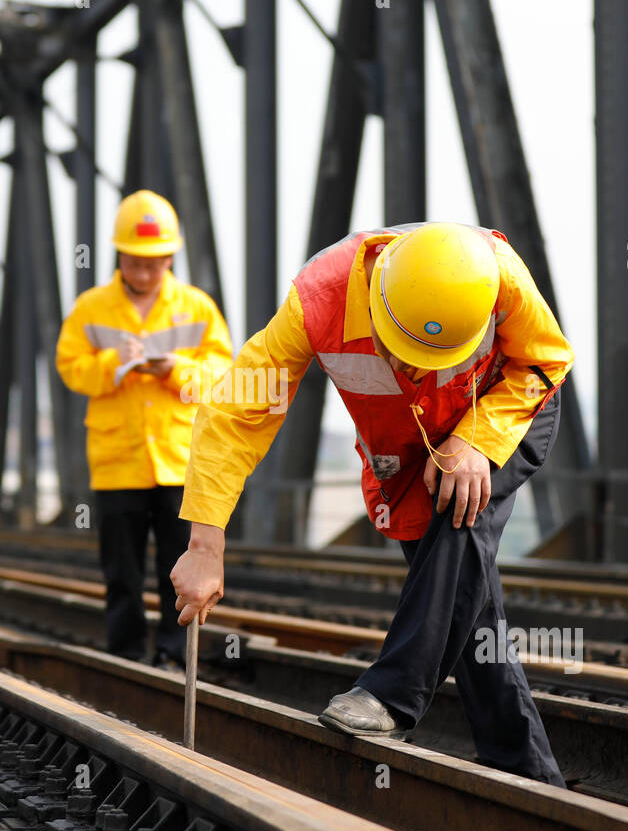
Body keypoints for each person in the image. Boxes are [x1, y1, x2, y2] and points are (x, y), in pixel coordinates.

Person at [169, 221, 573, 786]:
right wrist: (205, 544)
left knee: (460, 526)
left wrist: (478, 437)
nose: (416, 371)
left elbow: (545, 361)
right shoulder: (320, 300)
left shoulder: (498, 273)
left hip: (503, 416)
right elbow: (236, 412)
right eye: (402, 353)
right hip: (411, 452)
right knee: (464, 606)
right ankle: (529, 774)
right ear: (377, 303)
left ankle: (391, 696)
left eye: (434, 357)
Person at [56, 190, 232, 671]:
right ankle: (128, 655)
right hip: (119, 463)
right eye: (136, 262)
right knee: (122, 573)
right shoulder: (92, 308)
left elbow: (221, 373)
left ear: (170, 256)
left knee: (177, 568)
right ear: (120, 256)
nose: (146, 272)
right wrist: (118, 362)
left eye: (155, 263)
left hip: (178, 461)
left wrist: (173, 370)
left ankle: (173, 658)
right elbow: (71, 368)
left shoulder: (196, 307)